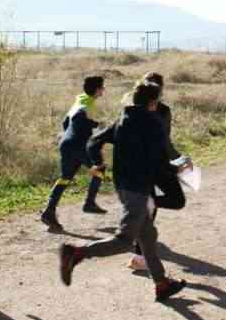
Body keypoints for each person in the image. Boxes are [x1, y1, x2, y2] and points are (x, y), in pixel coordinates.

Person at [59, 82, 187, 303]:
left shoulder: (121, 121)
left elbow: (93, 143)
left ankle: (161, 284)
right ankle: (77, 253)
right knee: (125, 240)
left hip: (124, 187)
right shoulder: (153, 125)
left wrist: (98, 164)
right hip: (139, 189)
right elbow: (158, 161)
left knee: (147, 237)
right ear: (153, 102)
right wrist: (178, 169)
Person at [127, 72, 189, 272]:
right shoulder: (162, 111)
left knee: (150, 209)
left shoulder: (130, 109)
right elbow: (165, 142)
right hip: (155, 165)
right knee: (163, 205)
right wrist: (178, 161)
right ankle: (139, 257)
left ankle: (138, 255)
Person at [40, 76, 106, 232]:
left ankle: (49, 211)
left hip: (66, 144)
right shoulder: (87, 104)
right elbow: (79, 119)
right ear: (97, 90)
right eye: (102, 87)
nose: (104, 90)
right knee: (99, 169)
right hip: (78, 146)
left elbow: (65, 122)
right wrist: (97, 124)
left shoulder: (80, 99)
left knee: (65, 178)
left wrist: (70, 135)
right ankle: (89, 203)